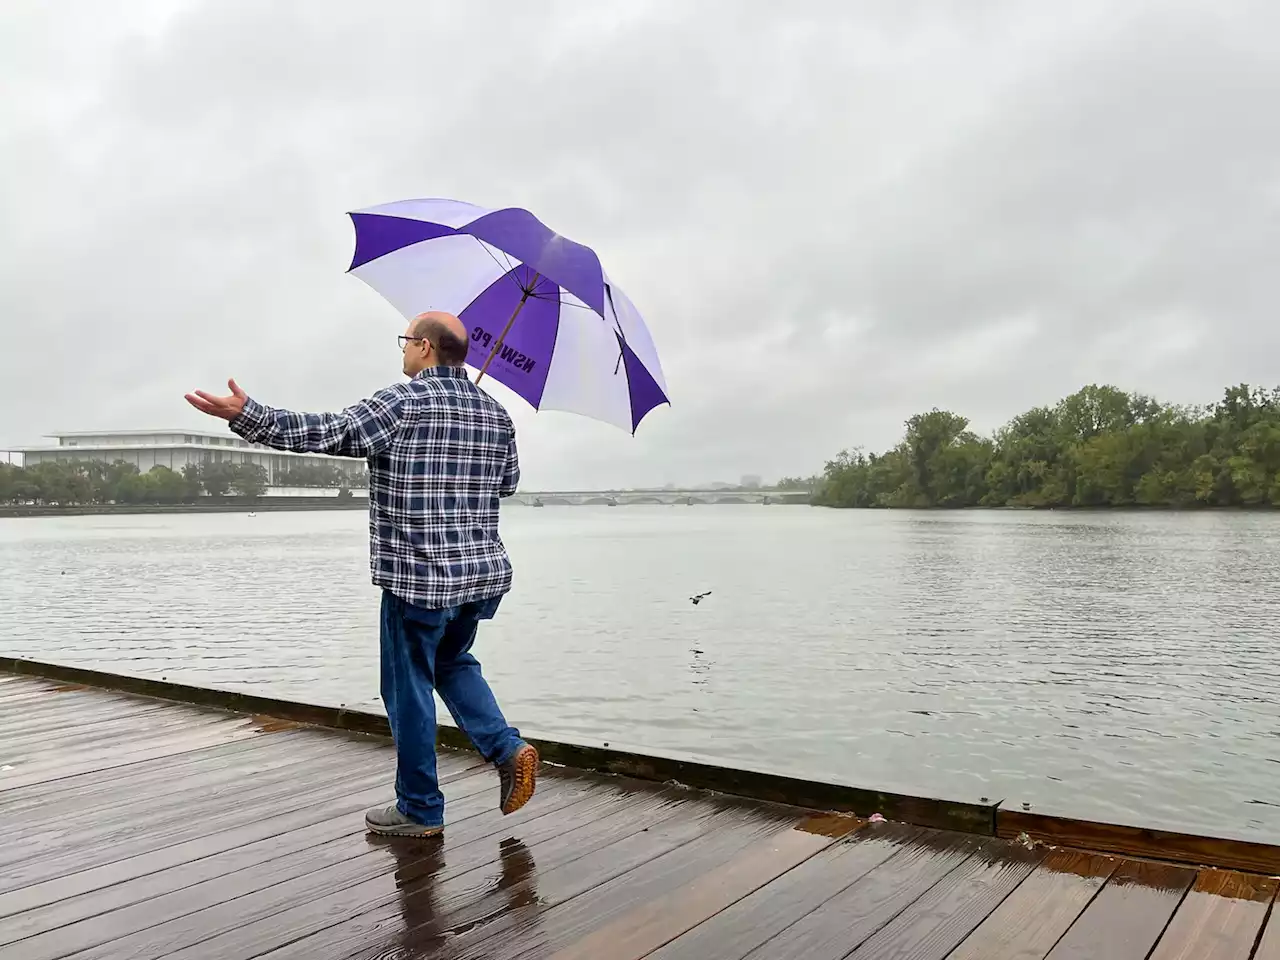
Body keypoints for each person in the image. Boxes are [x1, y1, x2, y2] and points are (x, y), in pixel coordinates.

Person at [185, 310, 538, 837]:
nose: (402, 351)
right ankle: (508, 750)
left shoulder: (402, 401)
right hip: (479, 577)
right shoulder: (495, 413)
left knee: (408, 687)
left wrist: (248, 414)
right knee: (452, 661)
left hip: (417, 578)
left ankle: (420, 807)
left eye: (405, 341)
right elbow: (506, 482)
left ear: (424, 347)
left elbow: (332, 432)